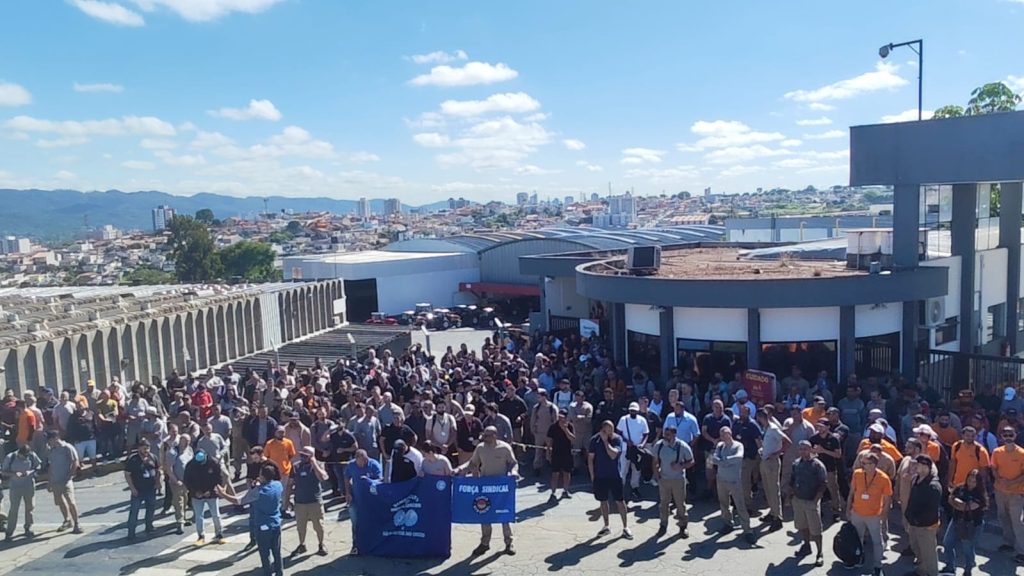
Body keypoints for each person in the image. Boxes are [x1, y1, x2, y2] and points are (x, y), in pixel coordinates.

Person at [456, 425, 520, 556]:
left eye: (487, 435)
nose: (484, 437)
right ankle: (485, 543)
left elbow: (513, 463)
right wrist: (460, 469)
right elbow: (472, 463)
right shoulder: (480, 448)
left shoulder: (505, 448)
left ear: (494, 436)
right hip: (485, 486)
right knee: (484, 514)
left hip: (501, 488)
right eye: (483, 435)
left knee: (504, 515)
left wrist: (514, 472)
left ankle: (509, 543)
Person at [219, 463, 284, 576]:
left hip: (262, 526)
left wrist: (223, 494)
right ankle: (280, 573)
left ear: (262, 476)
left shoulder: (258, 491)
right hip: (276, 523)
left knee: (265, 554)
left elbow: (239, 501)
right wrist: (259, 484)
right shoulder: (278, 485)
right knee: (277, 552)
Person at [846, 452, 891, 576]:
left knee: (877, 541)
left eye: (867, 463)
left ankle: (877, 566)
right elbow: (852, 492)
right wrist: (848, 509)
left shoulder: (883, 478)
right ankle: (858, 559)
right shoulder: (857, 474)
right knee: (857, 538)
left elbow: (887, 499)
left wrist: (883, 515)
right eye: (863, 463)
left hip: (874, 515)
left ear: (874, 464)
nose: (864, 466)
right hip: (857, 513)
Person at [588, 420, 632, 539]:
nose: (611, 432)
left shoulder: (617, 439)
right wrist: (592, 475)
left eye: (612, 429)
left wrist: (605, 441)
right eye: (609, 430)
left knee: (620, 501)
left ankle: (625, 527)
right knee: (603, 501)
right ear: (603, 430)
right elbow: (590, 458)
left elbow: (613, 455)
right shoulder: (594, 440)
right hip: (600, 476)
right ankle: (606, 526)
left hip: (615, 475)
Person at [713, 426, 755, 544]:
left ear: (730, 433)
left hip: (734, 481)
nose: (724, 436)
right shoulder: (720, 446)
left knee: (740, 505)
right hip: (721, 479)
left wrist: (724, 460)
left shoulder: (738, 445)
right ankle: (727, 523)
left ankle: (747, 530)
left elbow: (738, 457)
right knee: (724, 503)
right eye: (722, 434)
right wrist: (724, 462)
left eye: (726, 433)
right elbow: (714, 459)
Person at [942, 468, 987, 576]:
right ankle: (950, 566)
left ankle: (968, 569)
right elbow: (950, 499)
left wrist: (958, 503)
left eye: (974, 481)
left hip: (972, 524)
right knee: (947, 543)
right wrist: (958, 503)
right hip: (956, 520)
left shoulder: (980, 495)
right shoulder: (960, 488)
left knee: (967, 548)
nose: (971, 483)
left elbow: (968, 507)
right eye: (969, 480)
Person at [651, 424, 694, 539]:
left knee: (680, 504)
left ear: (674, 435)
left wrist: (681, 466)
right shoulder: (659, 445)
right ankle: (663, 525)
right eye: (665, 434)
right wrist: (657, 475)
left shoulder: (682, 446)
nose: (665, 437)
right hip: (664, 479)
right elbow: (655, 461)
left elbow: (691, 461)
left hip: (678, 480)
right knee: (663, 503)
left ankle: (683, 526)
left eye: (668, 435)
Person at [790, 440, 827, 567]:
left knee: (816, 530)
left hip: (811, 501)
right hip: (798, 500)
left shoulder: (817, 465)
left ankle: (820, 553)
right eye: (800, 449)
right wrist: (791, 496)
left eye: (805, 449)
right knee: (802, 526)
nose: (802, 451)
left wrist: (816, 501)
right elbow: (792, 480)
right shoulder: (796, 463)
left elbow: (823, 484)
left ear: (810, 450)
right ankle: (806, 546)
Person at [903, 454, 942, 576]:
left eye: (922, 465)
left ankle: (931, 573)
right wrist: (908, 516)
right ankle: (922, 571)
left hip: (926, 526)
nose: (918, 467)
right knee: (916, 548)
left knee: (929, 554)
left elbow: (931, 509)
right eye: (918, 464)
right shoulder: (916, 479)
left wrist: (918, 521)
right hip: (913, 523)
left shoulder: (933, 486)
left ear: (928, 467)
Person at [991, 426, 1024, 563]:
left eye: (1011, 434)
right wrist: (999, 479)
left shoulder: (1022, 453)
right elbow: (993, 468)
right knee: (1003, 517)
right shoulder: (997, 452)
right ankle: (1008, 543)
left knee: (1018, 521)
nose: (1008, 437)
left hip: (1017, 492)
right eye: (1005, 435)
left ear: (1015, 435)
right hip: (1000, 491)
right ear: (1001, 437)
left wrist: (1012, 482)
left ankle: (1021, 550)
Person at [290, 446, 328, 557]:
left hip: (314, 501)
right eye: (301, 455)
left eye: (305, 456)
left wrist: (314, 464)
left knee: (318, 525)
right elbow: (290, 484)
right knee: (300, 526)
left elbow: (323, 478)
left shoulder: (318, 465)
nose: (302, 457)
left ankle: (321, 544)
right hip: (300, 502)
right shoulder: (296, 466)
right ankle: (302, 544)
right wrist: (286, 501)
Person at [344, 449, 383, 555]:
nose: (361, 465)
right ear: (355, 459)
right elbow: (347, 477)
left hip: (370, 500)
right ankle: (355, 545)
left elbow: (381, 479)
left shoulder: (374, 464)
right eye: (359, 463)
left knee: (371, 522)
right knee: (355, 523)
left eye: (364, 462)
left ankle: (372, 545)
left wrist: (369, 480)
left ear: (366, 458)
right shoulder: (351, 465)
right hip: (355, 498)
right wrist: (347, 492)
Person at [184, 449, 225, 545]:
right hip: (197, 494)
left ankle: (219, 534)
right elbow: (187, 481)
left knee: (216, 515)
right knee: (199, 516)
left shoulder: (213, 463)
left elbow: (219, 479)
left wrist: (211, 491)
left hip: (211, 493)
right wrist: (195, 492)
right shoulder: (190, 465)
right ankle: (201, 536)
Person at [757, 407, 788, 532]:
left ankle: (778, 518)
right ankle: (772, 512)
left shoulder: (774, 428)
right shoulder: (766, 428)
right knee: (767, 489)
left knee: (774, 490)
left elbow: (787, 441)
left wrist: (777, 454)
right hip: (764, 460)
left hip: (772, 462)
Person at [2, 444, 41, 542]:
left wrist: (30, 472)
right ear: (19, 453)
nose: (25, 458)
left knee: (30, 507)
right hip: (15, 487)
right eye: (24, 456)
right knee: (14, 509)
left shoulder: (31, 455)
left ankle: (28, 527)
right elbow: (3, 472)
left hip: (29, 485)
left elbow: (38, 466)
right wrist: (14, 474)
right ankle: (9, 532)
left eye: (27, 456)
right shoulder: (11, 457)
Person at [45, 430, 82, 534]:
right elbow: (51, 466)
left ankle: (77, 524)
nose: (48, 442)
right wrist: (49, 481)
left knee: (71, 501)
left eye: (49, 439)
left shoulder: (67, 447)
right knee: (60, 501)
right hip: (55, 480)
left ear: (55, 438)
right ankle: (67, 520)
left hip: (65, 480)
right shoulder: (51, 450)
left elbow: (75, 462)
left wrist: (70, 476)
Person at [808, 418, 843, 521]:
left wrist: (823, 450)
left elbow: (838, 454)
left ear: (828, 427)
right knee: (816, 490)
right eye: (818, 426)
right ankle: (818, 510)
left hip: (830, 468)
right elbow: (809, 451)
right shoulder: (813, 438)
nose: (819, 429)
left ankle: (836, 511)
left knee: (833, 490)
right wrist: (813, 451)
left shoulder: (833, 439)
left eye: (822, 427)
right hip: (816, 469)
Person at [124, 441, 159, 540]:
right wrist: (132, 488)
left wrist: (158, 482)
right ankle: (131, 532)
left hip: (150, 489)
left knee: (151, 509)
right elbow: (127, 474)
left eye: (148, 448)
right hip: (138, 490)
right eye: (144, 448)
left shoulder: (153, 457)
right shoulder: (133, 459)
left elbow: (158, 470)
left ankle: (149, 526)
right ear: (139, 448)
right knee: (134, 511)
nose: (146, 450)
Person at [617, 402, 650, 500]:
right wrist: (626, 441)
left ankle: (634, 488)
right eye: (631, 411)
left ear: (638, 411)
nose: (633, 412)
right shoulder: (623, 419)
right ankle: (620, 488)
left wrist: (642, 444)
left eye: (634, 411)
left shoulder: (642, 420)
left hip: (637, 449)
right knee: (623, 469)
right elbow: (619, 432)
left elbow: (646, 434)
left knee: (636, 469)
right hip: (625, 449)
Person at [264, 426, 296, 518]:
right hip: (274, 472)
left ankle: (283, 509)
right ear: (275, 433)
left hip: (286, 471)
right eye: (279, 432)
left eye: (283, 432)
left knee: (285, 491)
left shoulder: (288, 442)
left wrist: (285, 464)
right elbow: (266, 457)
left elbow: (291, 455)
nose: (281, 434)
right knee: (274, 491)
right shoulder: (269, 444)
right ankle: (273, 509)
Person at [165, 433, 193, 534]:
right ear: (180, 440)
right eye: (185, 441)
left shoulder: (189, 450)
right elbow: (169, 468)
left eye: (188, 441)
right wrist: (175, 480)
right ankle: (180, 521)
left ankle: (183, 518)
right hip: (177, 481)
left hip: (187, 481)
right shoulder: (173, 452)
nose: (187, 443)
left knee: (185, 500)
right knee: (179, 501)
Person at [546, 409, 575, 501]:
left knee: (567, 473)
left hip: (567, 453)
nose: (560, 419)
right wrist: (548, 453)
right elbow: (549, 441)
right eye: (559, 417)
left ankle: (565, 490)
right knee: (555, 474)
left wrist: (565, 429)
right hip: (556, 453)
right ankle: (553, 493)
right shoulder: (553, 427)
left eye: (562, 417)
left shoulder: (570, 426)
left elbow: (573, 439)